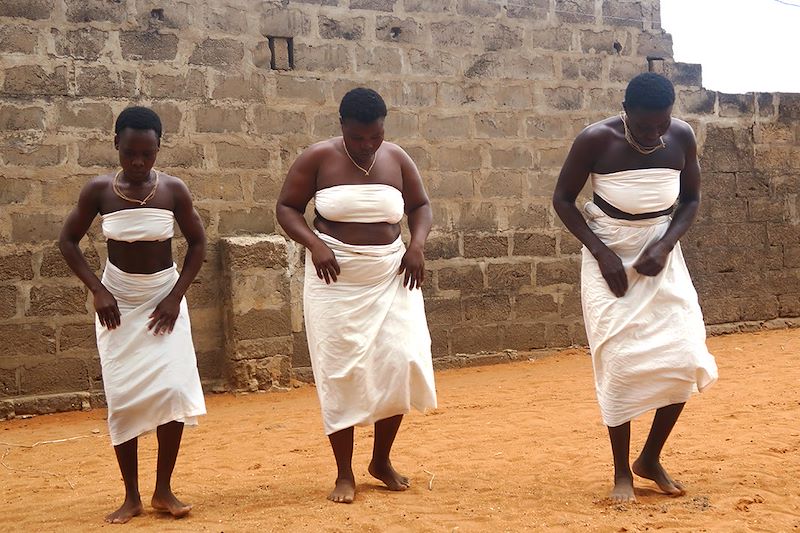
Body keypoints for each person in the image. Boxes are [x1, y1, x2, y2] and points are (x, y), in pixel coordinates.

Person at [552, 73, 718, 503]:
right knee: (620, 365)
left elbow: (691, 200)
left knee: (684, 357)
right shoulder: (595, 139)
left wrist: (664, 246)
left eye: (660, 125)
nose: (653, 135)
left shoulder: (681, 135)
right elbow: (563, 200)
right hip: (607, 253)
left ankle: (650, 458)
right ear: (625, 110)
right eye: (644, 126)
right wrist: (601, 252)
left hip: (660, 254)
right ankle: (621, 471)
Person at [276, 87, 437, 504]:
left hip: (392, 273)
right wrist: (314, 245)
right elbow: (287, 208)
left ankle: (380, 460)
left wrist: (416, 245)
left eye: (375, 137)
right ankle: (344, 473)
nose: (368, 146)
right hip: (335, 278)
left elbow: (420, 206)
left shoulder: (397, 158)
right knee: (341, 370)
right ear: (342, 126)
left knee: (401, 361)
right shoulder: (318, 157)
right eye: (358, 138)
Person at [59, 106, 207, 523]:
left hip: (164, 300)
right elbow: (67, 241)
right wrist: (98, 290)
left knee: (174, 392)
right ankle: (131, 496)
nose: (138, 162)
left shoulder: (173, 190)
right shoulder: (99, 191)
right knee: (123, 399)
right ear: (116, 147)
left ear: (159, 148)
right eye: (130, 153)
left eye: (147, 153)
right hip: (117, 305)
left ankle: (164, 490)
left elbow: (198, 245)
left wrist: (176, 296)